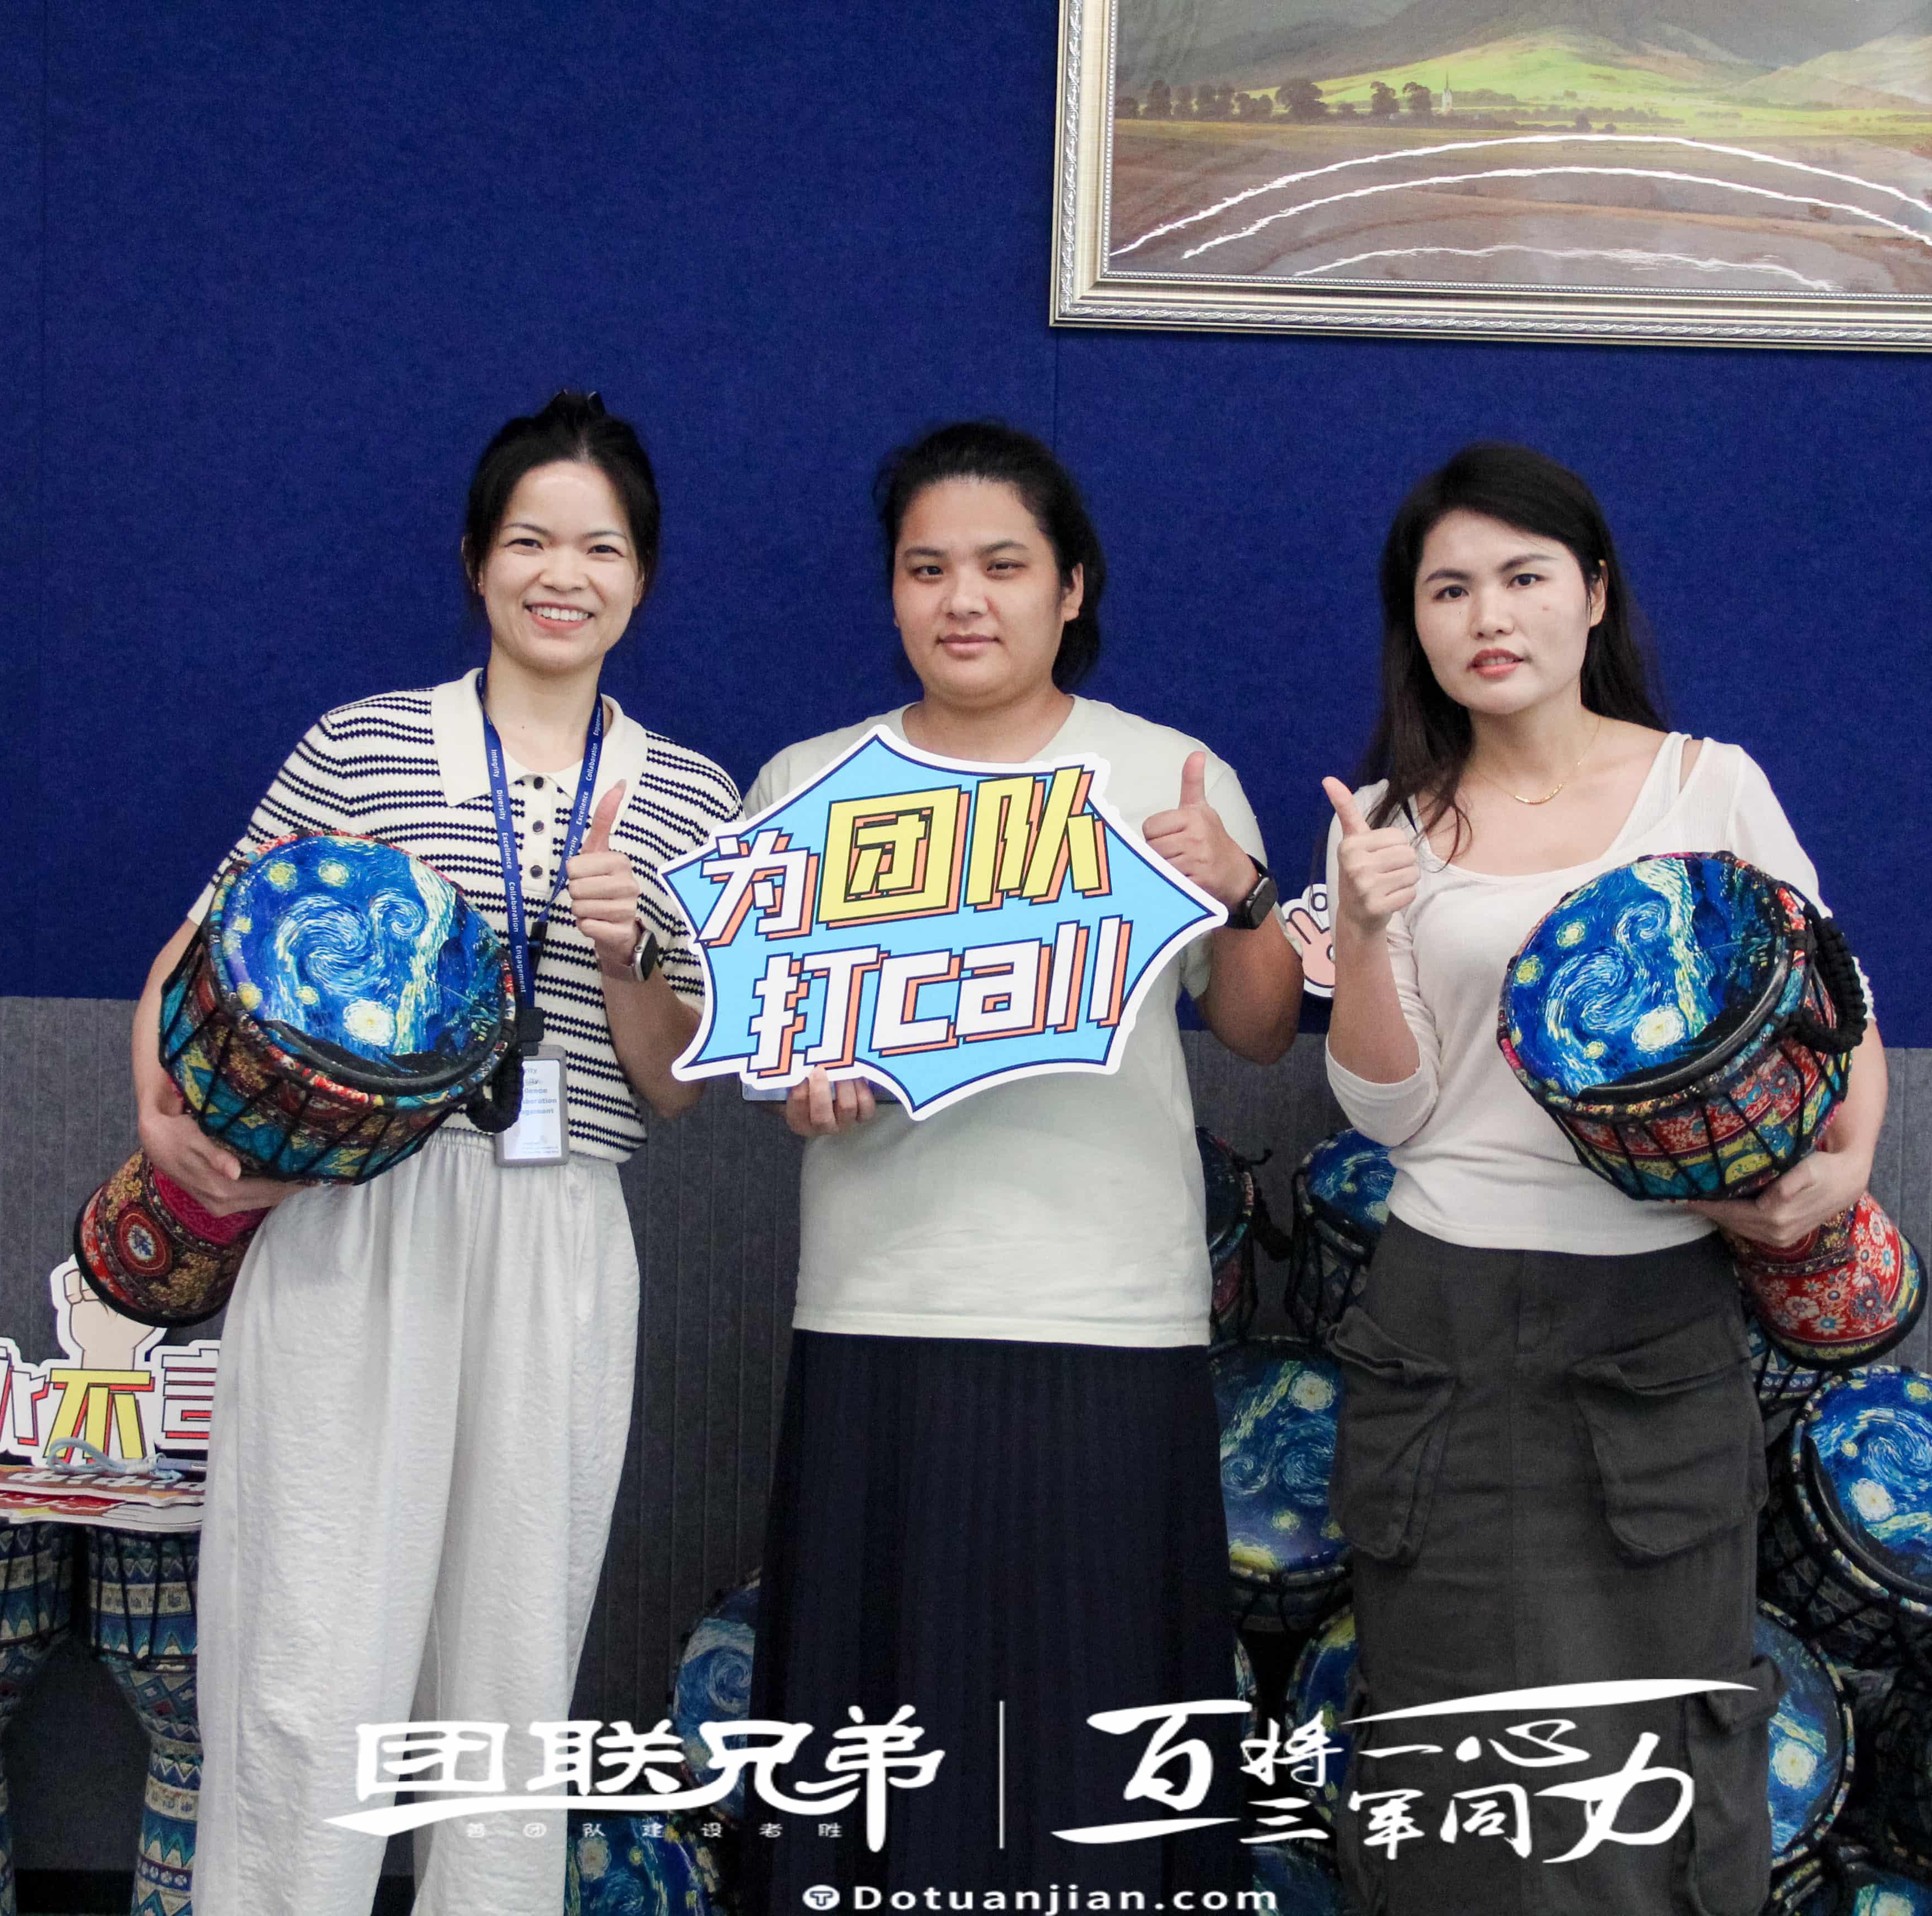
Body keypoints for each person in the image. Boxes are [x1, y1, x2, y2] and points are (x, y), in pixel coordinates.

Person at [129, 391, 740, 1916]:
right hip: (362, 1218)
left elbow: (677, 1089)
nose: (562, 574)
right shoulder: (365, 745)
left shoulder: (693, 797)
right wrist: (163, 1122)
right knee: (307, 1658)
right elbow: (200, 950)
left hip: (563, 1230)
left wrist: (624, 957)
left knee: (513, 1677)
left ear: (643, 578)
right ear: (477, 561)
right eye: (530, 539)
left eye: (600, 547)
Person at [737, 420, 1304, 1910]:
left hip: (1110, 1318)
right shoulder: (809, 781)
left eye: (1001, 565)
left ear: (1072, 587)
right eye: (926, 568)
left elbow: (1258, 1032)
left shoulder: (1164, 772)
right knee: (880, 1746)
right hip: (880, 1307)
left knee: (1096, 1744)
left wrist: (1245, 893)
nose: (963, 600)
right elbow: (767, 1046)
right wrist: (798, 1087)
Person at [1319, 441, 1889, 1915]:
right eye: (1449, 589)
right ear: (1415, 622)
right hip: (1441, 1326)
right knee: (1454, 1769)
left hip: (1652, 1324)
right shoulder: (1387, 821)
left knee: (1655, 1765)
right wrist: (1368, 927)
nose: (1487, 615)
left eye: (1522, 577)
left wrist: (1842, 1171)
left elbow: (1835, 1002)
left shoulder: (1708, 783)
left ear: (1593, 594)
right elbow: (1388, 1110)